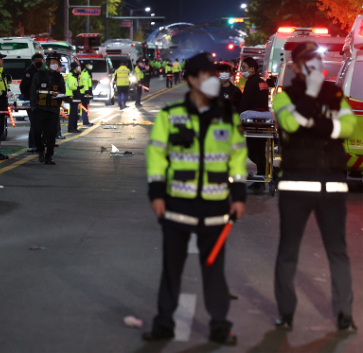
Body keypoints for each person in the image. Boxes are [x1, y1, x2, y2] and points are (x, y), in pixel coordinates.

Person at [144, 52, 247, 345]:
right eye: (207, 75)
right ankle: (164, 323)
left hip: (215, 207)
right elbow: (157, 156)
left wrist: (239, 195)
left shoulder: (227, 116)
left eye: (215, 75)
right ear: (190, 79)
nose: (214, 80)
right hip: (177, 205)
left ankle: (220, 326)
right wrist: (156, 193)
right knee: (171, 270)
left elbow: (237, 156)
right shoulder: (170, 115)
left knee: (214, 271)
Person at [272, 42, 358, 333]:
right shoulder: (284, 96)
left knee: (338, 251)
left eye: (316, 62)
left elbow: (348, 128)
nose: (314, 67)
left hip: (331, 184)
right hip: (296, 184)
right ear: (295, 66)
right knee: (288, 251)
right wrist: (311, 99)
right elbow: (290, 125)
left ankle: (345, 315)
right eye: (307, 62)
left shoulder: (335, 93)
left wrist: (314, 122)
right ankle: (286, 314)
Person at [238, 57, 269, 191]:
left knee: (252, 151)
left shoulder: (251, 82)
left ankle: (263, 176)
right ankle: (263, 175)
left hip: (252, 122)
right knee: (259, 151)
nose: (241, 70)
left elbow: (245, 103)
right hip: (263, 122)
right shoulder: (262, 82)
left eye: (244, 68)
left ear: (252, 69)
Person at [30, 53, 66, 165]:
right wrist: (33, 107)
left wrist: (61, 97)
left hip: (53, 110)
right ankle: (40, 150)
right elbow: (33, 92)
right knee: (36, 133)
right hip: (39, 109)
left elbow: (63, 92)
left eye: (57, 62)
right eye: (53, 62)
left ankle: (48, 157)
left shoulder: (59, 78)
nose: (55, 64)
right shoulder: (39, 75)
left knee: (51, 135)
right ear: (48, 62)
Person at [20, 53, 44, 153]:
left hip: (39, 101)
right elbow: (23, 86)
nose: (39, 62)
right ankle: (32, 145)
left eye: (41, 60)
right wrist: (27, 97)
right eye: (37, 60)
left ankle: (37, 144)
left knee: (38, 124)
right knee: (34, 123)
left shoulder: (42, 71)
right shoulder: (29, 72)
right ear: (33, 61)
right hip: (30, 101)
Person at [66, 62, 81, 133]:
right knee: (73, 113)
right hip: (72, 96)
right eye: (77, 67)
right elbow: (71, 86)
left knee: (75, 113)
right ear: (75, 67)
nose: (78, 68)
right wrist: (78, 88)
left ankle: (74, 128)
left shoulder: (74, 75)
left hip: (74, 96)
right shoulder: (71, 76)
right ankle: (71, 128)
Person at [79, 62, 93, 127]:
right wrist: (87, 92)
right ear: (86, 65)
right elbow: (85, 83)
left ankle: (86, 121)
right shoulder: (85, 72)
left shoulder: (88, 72)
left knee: (86, 107)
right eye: (89, 64)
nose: (90, 66)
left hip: (87, 92)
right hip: (84, 92)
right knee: (85, 107)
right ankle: (85, 121)